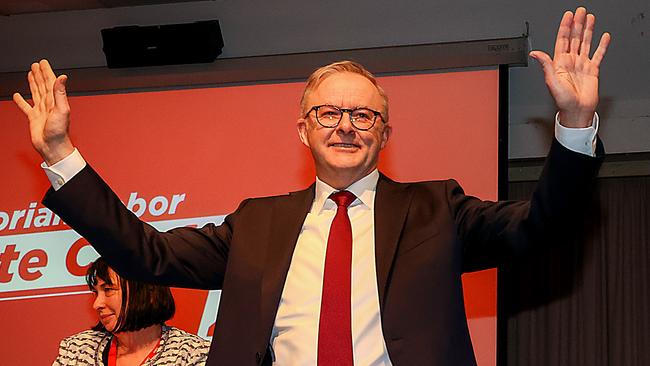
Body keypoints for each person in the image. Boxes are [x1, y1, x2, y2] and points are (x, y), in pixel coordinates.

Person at [15, 7, 610, 366]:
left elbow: (542, 226)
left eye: (364, 115)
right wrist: (61, 154)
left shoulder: (438, 210)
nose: (346, 125)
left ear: (385, 133)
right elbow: (145, 251)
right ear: (303, 131)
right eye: (328, 114)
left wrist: (577, 124)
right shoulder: (256, 223)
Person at [53, 257, 211, 365]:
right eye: (95, 293)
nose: (97, 304)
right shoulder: (77, 349)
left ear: (147, 291)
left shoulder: (191, 354)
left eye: (108, 290)